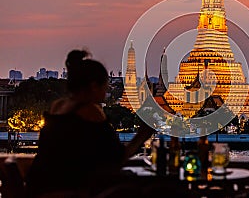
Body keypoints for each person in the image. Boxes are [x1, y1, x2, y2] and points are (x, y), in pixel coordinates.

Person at [26, 50, 155, 197]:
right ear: (94, 86)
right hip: (68, 192)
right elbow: (117, 157)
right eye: (105, 85)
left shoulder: (57, 106)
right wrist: (143, 134)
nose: (106, 90)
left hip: (39, 188)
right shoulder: (90, 111)